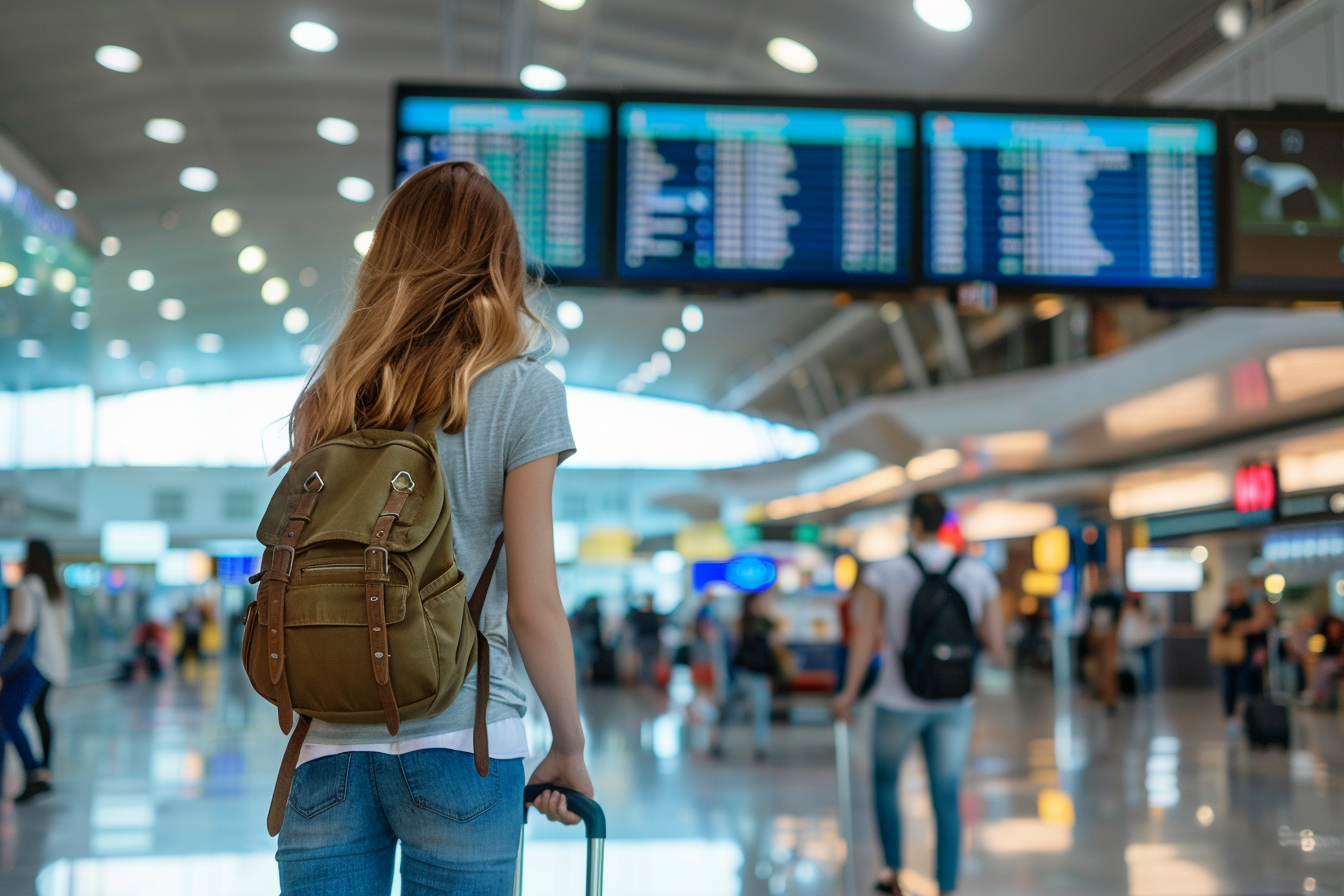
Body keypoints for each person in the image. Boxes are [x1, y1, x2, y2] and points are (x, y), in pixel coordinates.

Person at [272, 160, 592, 895]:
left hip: (324, 745)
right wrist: (567, 745)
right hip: (466, 737)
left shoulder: (332, 396)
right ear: (500, 264)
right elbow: (534, 603)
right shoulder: (525, 394)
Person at [833, 492, 1005, 896]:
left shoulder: (885, 572)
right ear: (945, 522)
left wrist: (848, 693)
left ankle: (893, 875)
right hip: (954, 701)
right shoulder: (976, 573)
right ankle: (946, 886)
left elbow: (865, 641)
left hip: (897, 699)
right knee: (946, 794)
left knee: (885, 781)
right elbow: (996, 647)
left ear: (911, 523)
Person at [0, 539, 65, 802]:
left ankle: (34, 770)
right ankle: (43, 772)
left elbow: (21, 625)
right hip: (56, 662)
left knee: (8, 715)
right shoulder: (56, 591)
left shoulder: (27, 588)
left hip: (31, 663)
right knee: (40, 715)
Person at [717, 590, 780, 761]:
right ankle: (718, 741)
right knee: (730, 710)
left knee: (759, 711)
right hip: (744, 673)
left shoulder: (763, 623)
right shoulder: (743, 623)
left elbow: (774, 648)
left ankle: (760, 746)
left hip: (757, 675)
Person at [1213, 580, 1274, 731]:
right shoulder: (1226, 609)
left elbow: (1257, 627)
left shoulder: (1250, 608)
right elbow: (1219, 627)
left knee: (1248, 686)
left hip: (1248, 654)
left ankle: (1249, 717)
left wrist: (1237, 627)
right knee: (1230, 686)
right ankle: (1232, 717)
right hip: (1230, 655)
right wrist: (1240, 627)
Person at [1083, 565, 1123, 714]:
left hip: (1108, 636)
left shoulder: (1113, 598)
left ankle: (1110, 699)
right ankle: (1100, 694)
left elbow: (1118, 617)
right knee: (1098, 668)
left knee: (1109, 668)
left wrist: (1114, 633)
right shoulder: (1094, 598)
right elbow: (1090, 618)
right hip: (1097, 635)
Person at [1118, 591, 1163, 695]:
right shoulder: (1145, 607)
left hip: (1140, 640)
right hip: (1146, 639)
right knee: (1147, 665)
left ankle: (1146, 687)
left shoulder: (1132, 610)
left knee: (1142, 665)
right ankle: (1148, 687)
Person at [627, 594, 665, 686]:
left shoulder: (655, 614)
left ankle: (651, 681)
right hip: (643, 640)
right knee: (644, 662)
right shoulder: (639, 614)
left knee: (652, 663)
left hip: (653, 640)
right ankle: (644, 682)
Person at [1309, 615, 1344, 708]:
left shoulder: (1341, 641)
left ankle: (1323, 696)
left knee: (1326, 666)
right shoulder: (1324, 641)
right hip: (1329, 666)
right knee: (1321, 668)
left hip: (1338, 664)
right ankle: (1322, 695)